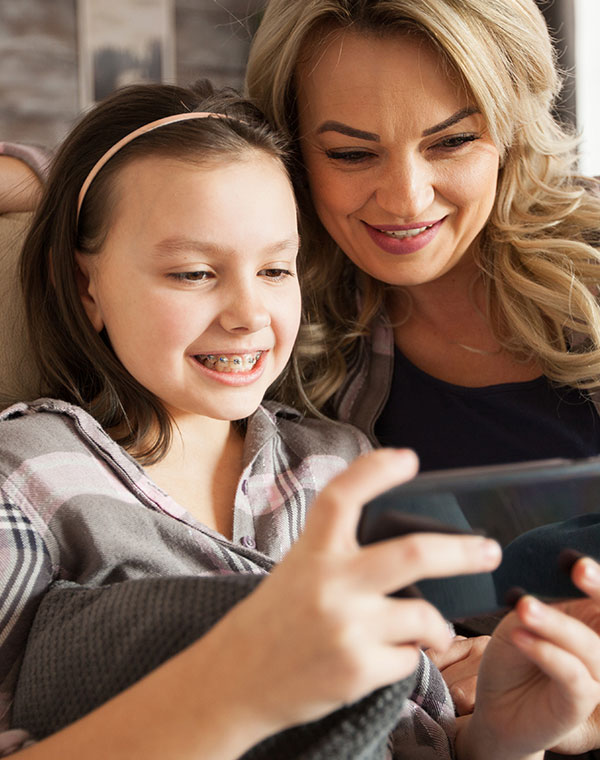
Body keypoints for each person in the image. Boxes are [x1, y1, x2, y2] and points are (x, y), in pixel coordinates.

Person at [1, 78, 600, 760]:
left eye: (277, 270)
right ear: (88, 288)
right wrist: (245, 688)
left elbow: (411, 732)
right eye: (194, 274)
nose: (248, 315)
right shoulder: (29, 477)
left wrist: (498, 736)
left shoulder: (337, 460)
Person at [245, 0, 600, 733]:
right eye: (350, 153)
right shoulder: (275, 325)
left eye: (452, 142)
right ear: (289, 152)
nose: (406, 197)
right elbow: (149, 197)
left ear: (510, 130)